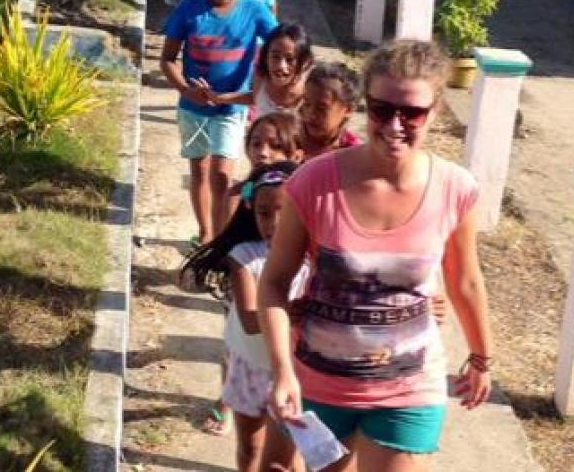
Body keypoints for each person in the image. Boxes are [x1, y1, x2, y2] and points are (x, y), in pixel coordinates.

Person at [258, 41, 494, 471]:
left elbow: (466, 281)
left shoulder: (455, 189)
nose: (395, 125)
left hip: (410, 387)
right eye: (383, 110)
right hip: (319, 383)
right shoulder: (313, 183)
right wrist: (282, 372)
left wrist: (481, 358)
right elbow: (274, 282)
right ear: (367, 107)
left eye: (413, 113)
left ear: (435, 110)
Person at [181, 162, 306, 472]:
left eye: (283, 211)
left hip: (296, 372)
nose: (273, 222)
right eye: (264, 213)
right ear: (251, 210)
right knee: (250, 448)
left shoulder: (312, 255)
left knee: (293, 454)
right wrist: (299, 311)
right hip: (250, 367)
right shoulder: (243, 256)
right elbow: (251, 321)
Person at [161, 0, 279, 245]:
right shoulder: (190, 9)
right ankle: (206, 234)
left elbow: (281, 45)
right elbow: (167, 59)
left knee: (222, 176)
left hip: (231, 109)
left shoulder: (256, 11)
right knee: (198, 168)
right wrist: (185, 90)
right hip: (192, 109)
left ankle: (222, 240)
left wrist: (265, 84)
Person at [201, 112, 302, 437]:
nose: (263, 152)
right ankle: (228, 401)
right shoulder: (236, 196)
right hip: (243, 291)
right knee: (233, 350)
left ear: (297, 155)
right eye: (256, 143)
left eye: (275, 146)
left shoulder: (305, 205)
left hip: (295, 340)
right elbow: (223, 243)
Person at [298, 63, 363, 160]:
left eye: (321, 108)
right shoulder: (286, 137)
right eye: (307, 103)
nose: (311, 114)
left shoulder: (354, 155)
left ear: (348, 110)